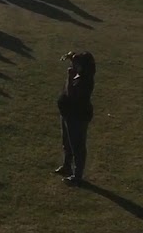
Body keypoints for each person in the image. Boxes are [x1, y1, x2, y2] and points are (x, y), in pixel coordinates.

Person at [56, 51, 96, 185]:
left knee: (77, 146)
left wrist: (69, 76)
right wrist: (70, 57)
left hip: (77, 116)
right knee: (67, 143)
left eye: (76, 64)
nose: (73, 65)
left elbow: (70, 94)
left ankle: (77, 175)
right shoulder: (80, 74)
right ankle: (67, 166)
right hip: (67, 113)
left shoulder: (82, 80)